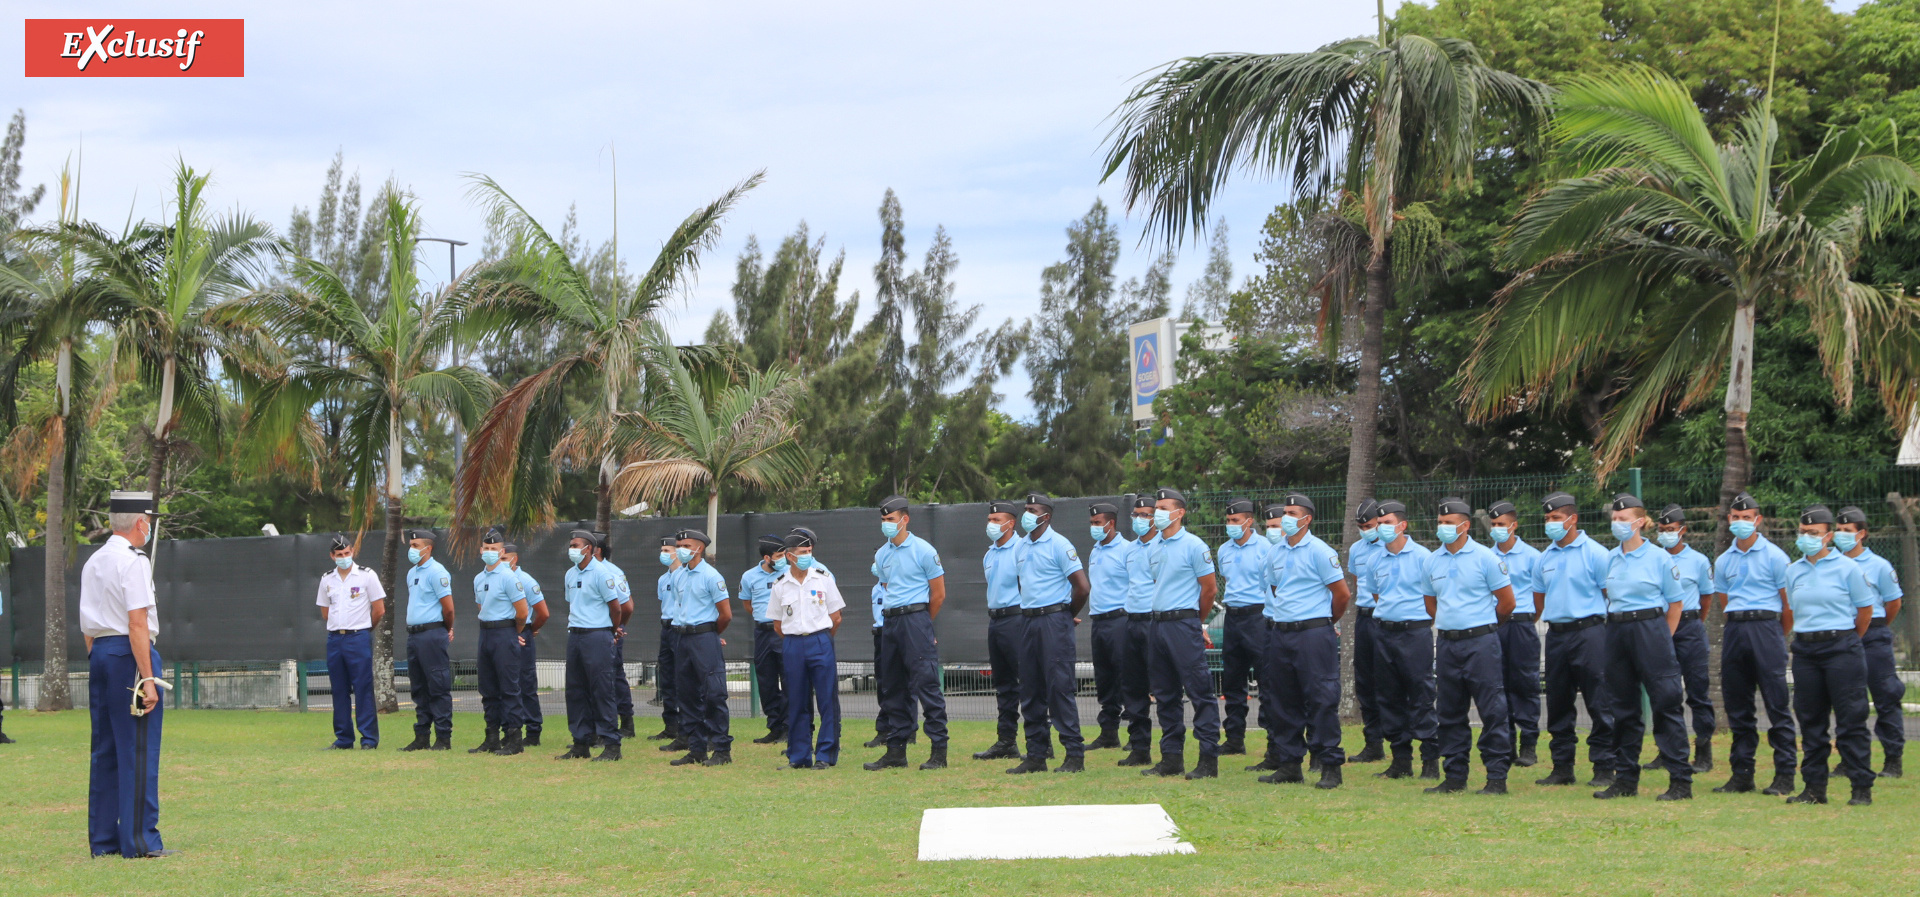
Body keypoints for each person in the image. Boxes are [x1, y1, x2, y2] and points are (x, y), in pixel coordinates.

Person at [82, 491, 174, 858]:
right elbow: (137, 623)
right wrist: (147, 678)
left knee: (105, 749)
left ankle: (103, 841)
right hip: (129, 653)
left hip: (101, 653)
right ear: (140, 523)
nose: (148, 527)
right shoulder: (133, 562)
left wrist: (102, 658)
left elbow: (88, 627)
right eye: (148, 521)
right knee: (138, 748)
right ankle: (139, 840)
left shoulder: (94, 561)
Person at [1593, 494, 1692, 801]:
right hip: (1618, 629)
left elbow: (1676, 603)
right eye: (1615, 518)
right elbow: (1609, 594)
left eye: (1623, 519)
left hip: (1651, 628)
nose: (1617, 523)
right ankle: (1625, 779)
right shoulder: (1609, 558)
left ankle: (1679, 780)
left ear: (1638, 522)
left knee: (1666, 702)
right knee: (1622, 706)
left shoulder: (1660, 557)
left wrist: (1664, 639)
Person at [1420, 497, 1517, 795]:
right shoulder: (1431, 561)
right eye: (1440, 523)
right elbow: (1430, 604)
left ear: (1465, 525)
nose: (1443, 528)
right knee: (1449, 710)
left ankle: (1497, 777)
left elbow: (1507, 602)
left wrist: (1482, 626)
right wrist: (1453, 625)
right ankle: (1454, 775)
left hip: (1481, 642)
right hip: (1448, 643)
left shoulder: (1486, 558)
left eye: (1449, 523)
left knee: (1492, 708)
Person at [1782, 505, 1877, 806]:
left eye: (1814, 533)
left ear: (1829, 536)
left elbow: (1865, 612)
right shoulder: (1793, 570)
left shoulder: (1848, 568)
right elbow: (1795, 610)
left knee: (1851, 720)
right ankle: (1814, 789)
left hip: (1841, 648)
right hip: (1806, 650)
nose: (1807, 537)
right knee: (1810, 720)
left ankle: (1860, 787)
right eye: (1803, 532)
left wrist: (1847, 641)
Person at [1258, 493, 1351, 789]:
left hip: (1313, 633)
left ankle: (1330, 765)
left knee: (1322, 699)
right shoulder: (1275, 552)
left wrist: (1323, 623)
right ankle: (1289, 764)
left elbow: (1342, 595)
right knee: (1284, 700)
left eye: (1292, 512)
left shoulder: (1320, 552)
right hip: (1281, 632)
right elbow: (1275, 588)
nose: (1285, 517)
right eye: (1284, 511)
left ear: (1306, 518)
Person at [1712, 492, 1798, 796]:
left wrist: (1776, 634)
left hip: (1767, 628)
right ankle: (1742, 774)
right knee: (1738, 705)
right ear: (1728, 520)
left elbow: (1788, 606)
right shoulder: (1723, 561)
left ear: (1757, 520)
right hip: (1735, 629)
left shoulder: (1776, 557)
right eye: (1735, 517)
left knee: (1776, 704)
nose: (1740, 522)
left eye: (1746, 517)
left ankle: (1785, 774)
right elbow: (1725, 601)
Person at [1533, 492, 1616, 787]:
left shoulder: (1596, 554)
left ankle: (1605, 766)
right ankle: (1562, 767)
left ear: (1572, 519)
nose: (1551, 523)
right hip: (1556, 635)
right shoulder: (1544, 558)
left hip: (1590, 632)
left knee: (1599, 700)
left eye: (1556, 518)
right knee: (1557, 701)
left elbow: (1611, 595)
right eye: (1547, 519)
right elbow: (1538, 599)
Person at [1006, 493, 1091, 774]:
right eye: (1025, 508)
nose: (1027, 514)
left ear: (1046, 516)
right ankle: (1036, 755)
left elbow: (1082, 587)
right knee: (1030, 690)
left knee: (1059, 688)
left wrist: (1065, 614)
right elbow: (1022, 583)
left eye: (1032, 509)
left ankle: (1074, 755)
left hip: (1054, 621)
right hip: (1028, 621)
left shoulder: (1059, 544)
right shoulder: (1021, 547)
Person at [864, 496, 950, 771]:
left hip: (915, 619)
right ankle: (896, 751)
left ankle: (939, 750)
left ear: (905, 519)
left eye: (890, 519)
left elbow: (938, 594)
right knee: (893, 687)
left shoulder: (924, 550)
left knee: (926, 685)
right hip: (890, 623)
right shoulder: (882, 554)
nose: (886, 524)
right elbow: (888, 587)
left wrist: (923, 623)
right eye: (883, 520)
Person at [1142, 487, 1222, 780]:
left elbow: (1209, 588)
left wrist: (1196, 622)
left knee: (1200, 692)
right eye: (1156, 507)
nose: (1157, 513)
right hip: (1158, 624)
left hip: (1183, 624)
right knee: (1165, 694)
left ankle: (1207, 759)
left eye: (1164, 507)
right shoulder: (1153, 547)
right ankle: (1171, 758)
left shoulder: (1194, 545)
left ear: (1180, 512)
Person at [1366, 500, 1440, 780]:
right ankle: (1400, 760)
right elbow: (1376, 596)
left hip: (1415, 632)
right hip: (1384, 632)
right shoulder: (1374, 559)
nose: (1382, 527)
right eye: (1379, 523)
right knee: (1388, 695)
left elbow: (1433, 597)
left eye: (1387, 523)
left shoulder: (1424, 557)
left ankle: (1430, 760)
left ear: (1402, 525)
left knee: (1421, 695)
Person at [1835, 506, 1905, 778]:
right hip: (1842, 634)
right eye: (1838, 531)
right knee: (1846, 700)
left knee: (1885, 696)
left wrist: (1875, 627)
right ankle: (1848, 759)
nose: (1842, 535)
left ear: (1861, 533)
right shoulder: (1832, 564)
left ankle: (1893, 759)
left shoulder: (1879, 566)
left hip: (1873, 635)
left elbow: (1894, 603)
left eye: (1847, 531)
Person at [772, 529, 846, 769]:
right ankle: (799, 756)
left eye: (809, 551)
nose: (807, 556)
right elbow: (777, 623)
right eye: (802, 552)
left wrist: (820, 638)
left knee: (827, 700)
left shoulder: (823, 578)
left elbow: (836, 617)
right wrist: (797, 638)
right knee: (796, 701)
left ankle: (825, 755)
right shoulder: (780, 584)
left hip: (820, 641)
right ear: (790, 556)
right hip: (793, 643)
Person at [1650, 506, 1715, 773]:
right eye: (1661, 530)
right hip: (1660, 626)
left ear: (1682, 530)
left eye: (1670, 530)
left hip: (1689, 626)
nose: (1665, 534)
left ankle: (1703, 751)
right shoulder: (1652, 558)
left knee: (1697, 691)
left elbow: (1707, 598)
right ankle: (1666, 751)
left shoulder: (1698, 561)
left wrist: (1693, 622)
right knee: (1664, 693)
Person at [555, 530, 626, 762]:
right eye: (571, 544)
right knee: (575, 690)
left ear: (588, 548)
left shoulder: (602, 573)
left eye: (576, 545)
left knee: (602, 689)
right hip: (575, 635)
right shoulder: (569, 574)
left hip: (597, 635)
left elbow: (616, 608)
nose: (572, 549)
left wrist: (612, 630)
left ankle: (611, 744)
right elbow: (573, 603)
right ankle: (580, 742)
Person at [1214, 498, 1275, 761]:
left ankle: (1274, 740)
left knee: (1267, 680)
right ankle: (1234, 738)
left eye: (1235, 521)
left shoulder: (1266, 547)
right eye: (1228, 521)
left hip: (1257, 616)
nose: (1231, 525)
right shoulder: (1223, 550)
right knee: (1232, 680)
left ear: (1249, 521)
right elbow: (1227, 582)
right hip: (1232, 617)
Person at [668, 528, 734, 767]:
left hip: (704, 637)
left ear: (699, 548)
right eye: (680, 545)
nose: (681, 550)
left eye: (686, 546)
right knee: (687, 695)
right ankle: (696, 748)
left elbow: (725, 614)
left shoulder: (711, 576)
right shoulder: (678, 575)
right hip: (682, 638)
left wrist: (710, 634)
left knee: (713, 694)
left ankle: (721, 749)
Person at [1485, 501, 1541, 768]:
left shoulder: (1532, 556)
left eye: (1501, 525)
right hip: (1496, 624)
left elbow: (1539, 597)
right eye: (1493, 525)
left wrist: (1527, 618)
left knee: (1525, 683)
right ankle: (1505, 744)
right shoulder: (1487, 556)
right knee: (1498, 684)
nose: (1497, 529)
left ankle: (1528, 744)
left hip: (1521, 625)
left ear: (1514, 525)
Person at [316, 533, 385, 750]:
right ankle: (344, 739)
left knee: (363, 688)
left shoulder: (366, 575)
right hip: (336, 638)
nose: (344, 557)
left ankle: (369, 739)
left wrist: (364, 629)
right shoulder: (327, 579)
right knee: (339, 689)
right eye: (339, 554)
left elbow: (379, 610)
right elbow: (325, 612)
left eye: (347, 553)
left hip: (358, 637)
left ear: (352, 552)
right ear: (332, 556)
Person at [973, 500, 1027, 761]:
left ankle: (1041, 740)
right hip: (996, 621)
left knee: (1027, 681)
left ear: (1011, 523)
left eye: (997, 520)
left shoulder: (1022, 548)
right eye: (990, 520)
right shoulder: (990, 553)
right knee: (1004, 684)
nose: (991, 524)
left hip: (1017, 619)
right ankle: (1006, 741)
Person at [470, 528, 530, 756]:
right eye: (486, 549)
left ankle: (514, 739)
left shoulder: (508, 576)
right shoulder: (479, 578)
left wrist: (513, 632)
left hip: (505, 632)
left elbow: (522, 612)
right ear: (480, 551)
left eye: (494, 549)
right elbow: (480, 606)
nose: (489, 552)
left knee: (509, 687)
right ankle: (492, 738)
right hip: (485, 633)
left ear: (502, 551)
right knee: (488, 688)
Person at [400, 528, 455, 752]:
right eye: (411, 545)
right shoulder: (412, 573)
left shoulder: (437, 572)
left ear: (428, 548)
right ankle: (421, 736)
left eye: (415, 546)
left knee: (438, 686)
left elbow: (448, 608)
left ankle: (443, 738)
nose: (411, 549)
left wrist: (446, 629)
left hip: (432, 634)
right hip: (414, 635)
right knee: (419, 687)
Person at [1085, 502, 1134, 752]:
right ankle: (1109, 733)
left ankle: (1136, 733)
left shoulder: (1127, 550)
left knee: (1127, 677)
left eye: (1097, 523)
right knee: (1104, 679)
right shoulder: (1095, 550)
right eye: (1092, 523)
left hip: (1120, 619)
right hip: (1099, 620)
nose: (1093, 527)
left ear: (1110, 523)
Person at [1116, 496, 1159, 767]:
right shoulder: (1129, 550)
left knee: (1164, 687)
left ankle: (1171, 750)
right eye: (1135, 514)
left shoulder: (1164, 547)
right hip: (1131, 621)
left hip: (1156, 621)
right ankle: (1139, 747)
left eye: (1145, 514)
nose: (1139, 519)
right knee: (1133, 687)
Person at [1347, 498, 1387, 765]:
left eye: (1369, 525)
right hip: (1364, 617)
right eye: (1361, 526)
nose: (1365, 530)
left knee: (1393, 681)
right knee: (1366, 682)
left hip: (1388, 619)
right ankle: (1373, 743)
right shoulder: (1356, 549)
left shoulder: (1392, 545)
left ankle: (1404, 743)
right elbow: (1356, 583)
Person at [741, 534, 790, 746]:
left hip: (785, 631)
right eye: (779, 556)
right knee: (766, 682)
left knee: (789, 680)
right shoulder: (749, 576)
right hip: (762, 633)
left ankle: (789, 728)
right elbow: (747, 604)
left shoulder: (790, 572)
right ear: (767, 557)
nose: (784, 559)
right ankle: (774, 727)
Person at [504, 542, 550, 746]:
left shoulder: (526, 580)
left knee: (525, 684)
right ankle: (509, 729)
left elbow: (543, 612)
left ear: (514, 559)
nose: (500, 562)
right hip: (502, 636)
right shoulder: (495, 579)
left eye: (504, 558)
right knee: (506, 684)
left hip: (523, 635)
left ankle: (532, 732)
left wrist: (530, 630)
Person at [595, 532, 637, 739]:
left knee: (613, 677)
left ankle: (625, 723)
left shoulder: (611, 572)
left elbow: (627, 606)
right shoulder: (577, 572)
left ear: (597, 550)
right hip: (588, 633)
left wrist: (617, 629)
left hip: (607, 633)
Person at [650, 537, 684, 750]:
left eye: (667, 549)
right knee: (667, 677)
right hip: (666, 628)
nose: (663, 553)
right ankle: (670, 725)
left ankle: (685, 725)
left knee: (683, 677)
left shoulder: (685, 576)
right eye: (661, 549)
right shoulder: (663, 579)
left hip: (681, 629)